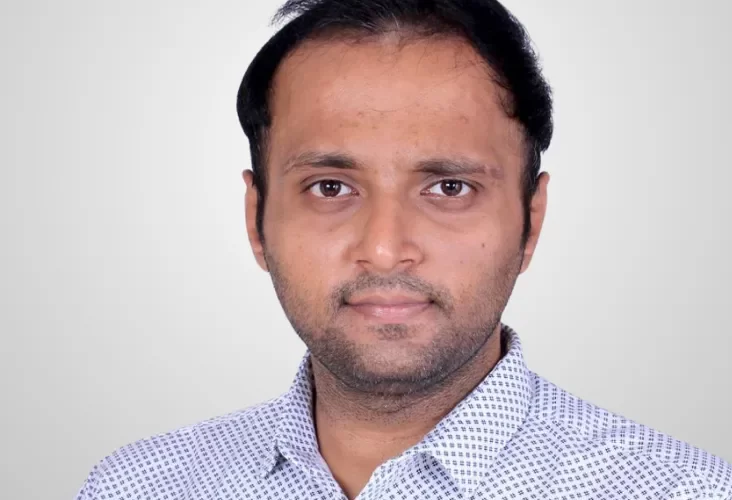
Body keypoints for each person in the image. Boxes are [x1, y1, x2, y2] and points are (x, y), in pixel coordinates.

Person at [75, 0, 732, 499]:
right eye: (330, 187)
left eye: (449, 187)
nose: (386, 250)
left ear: (531, 221)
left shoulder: (684, 492)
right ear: (257, 219)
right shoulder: (135, 488)